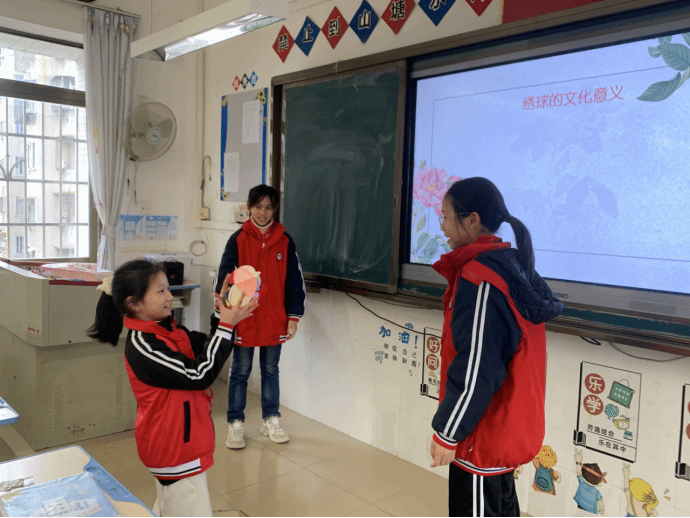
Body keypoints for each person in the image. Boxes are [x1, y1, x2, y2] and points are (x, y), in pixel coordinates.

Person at [428, 177, 564, 517]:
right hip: (501, 429)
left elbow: (478, 366)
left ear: (472, 220)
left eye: (446, 217)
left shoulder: (480, 277)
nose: (442, 227)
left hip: (482, 437)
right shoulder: (509, 266)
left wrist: (448, 431)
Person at [87, 259, 257, 517]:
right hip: (173, 449)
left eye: (168, 288)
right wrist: (226, 326)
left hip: (182, 443)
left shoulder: (167, 330)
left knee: (171, 506)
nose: (169, 296)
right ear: (134, 304)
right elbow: (199, 374)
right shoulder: (144, 346)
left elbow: (206, 346)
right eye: (160, 291)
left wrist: (221, 314)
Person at [211, 184, 306, 449]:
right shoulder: (238, 239)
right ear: (249, 207)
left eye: (268, 207)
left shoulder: (285, 240)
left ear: (275, 209)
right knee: (240, 371)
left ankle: (270, 419)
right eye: (258, 206)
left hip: (274, 318)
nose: (262, 212)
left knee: (270, 370)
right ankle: (235, 423)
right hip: (244, 318)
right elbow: (224, 278)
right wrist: (223, 312)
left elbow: (295, 281)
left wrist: (293, 316)